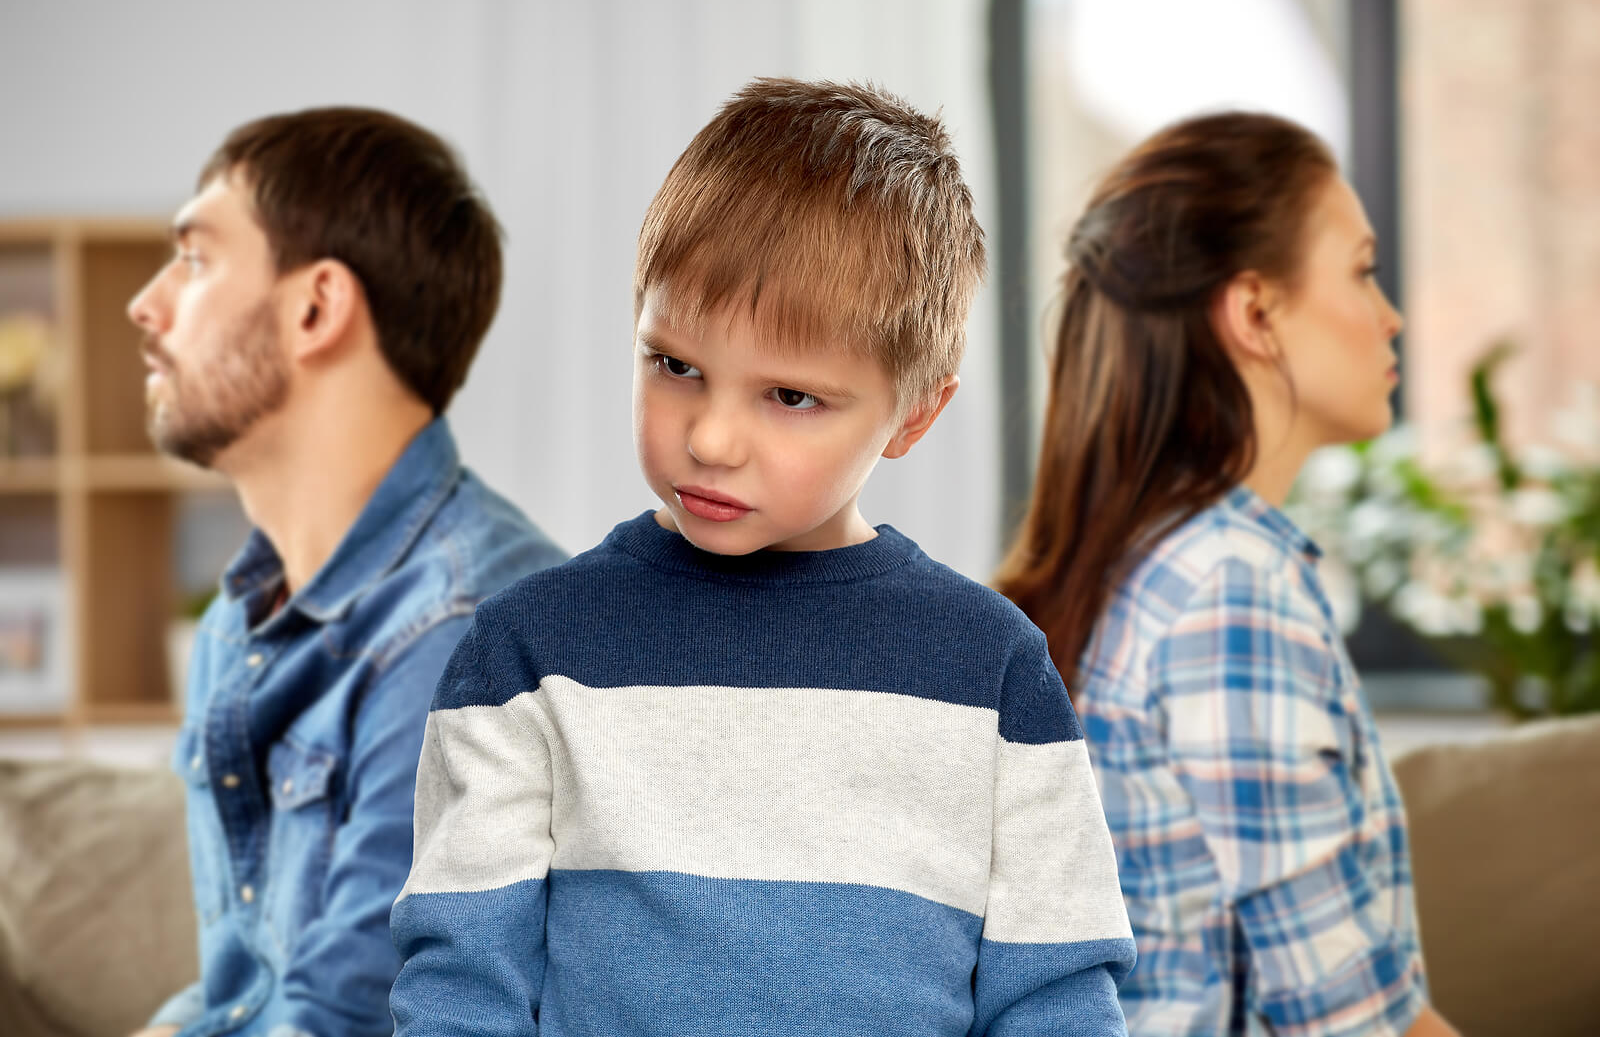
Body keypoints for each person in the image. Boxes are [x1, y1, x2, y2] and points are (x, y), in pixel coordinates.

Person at [388, 78, 1136, 1037]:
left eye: (788, 396)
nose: (710, 438)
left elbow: (1058, 997)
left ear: (915, 413)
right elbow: (461, 986)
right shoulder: (527, 652)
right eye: (676, 365)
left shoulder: (992, 672)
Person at [994, 111, 1459, 1037]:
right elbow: (1353, 1023)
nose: (1390, 313)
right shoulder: (1230, 592)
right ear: (1254, 313)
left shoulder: (1154, 561)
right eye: (1362, 271)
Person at [125, 107, 566, 1037]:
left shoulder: (465, 631)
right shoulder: (234, 629)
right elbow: (245, 987)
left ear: (316, 308)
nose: (146, 304)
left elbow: (342, 1021)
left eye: (197, 259)